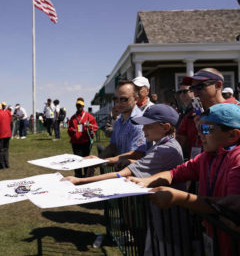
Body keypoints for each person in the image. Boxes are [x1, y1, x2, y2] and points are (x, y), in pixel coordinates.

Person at [63, 104, 188, 255]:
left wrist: (80, 181)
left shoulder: (166, 150)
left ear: (165, 127)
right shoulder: (162, 144)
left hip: (169, 219)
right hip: (160, 213)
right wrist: (108, 161)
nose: (143, 130)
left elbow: (121, 174)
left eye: (148, 126)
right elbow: (145, 162)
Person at [128, 103, 240, 256]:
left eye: (206, 129)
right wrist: (146, 181)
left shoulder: (237, 160)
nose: (200, 134)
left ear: (233, 135)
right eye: (198, 128)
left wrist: (178, 198)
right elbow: (174, 173)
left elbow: (233, 205)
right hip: (214, 235)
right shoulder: (205, 157)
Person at [176, 68, 238, 160]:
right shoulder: (192, 114)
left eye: (200, 87)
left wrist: (203, 127)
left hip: (225, 168)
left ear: (218, 85)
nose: (195, 92)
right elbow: (180, 141)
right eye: (192, 88)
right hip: (196, 167)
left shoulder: (236, 111)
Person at [96, 80, 147, 171]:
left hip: (135, 176)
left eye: (123, 99)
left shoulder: (139, 121)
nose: (118, 103)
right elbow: (113, 145)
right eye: (116, 99)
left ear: (136, 99)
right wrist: (97, 160)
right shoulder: (119, 120)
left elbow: (136, 154)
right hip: (122, 173)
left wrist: (106, 161)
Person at [68, 98, 98, 177]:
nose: (79, 107)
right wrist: (72, 130)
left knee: (85, 158)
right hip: (76, 142)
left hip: (85, 141)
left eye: (80, 105)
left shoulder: (89, 116)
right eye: (77, 105)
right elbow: (69, 129)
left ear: (83, 106)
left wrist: (90, 129)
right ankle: (78, 175)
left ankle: (86, 175)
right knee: (76, 159)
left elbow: (95, 127)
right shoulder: (73, 117)